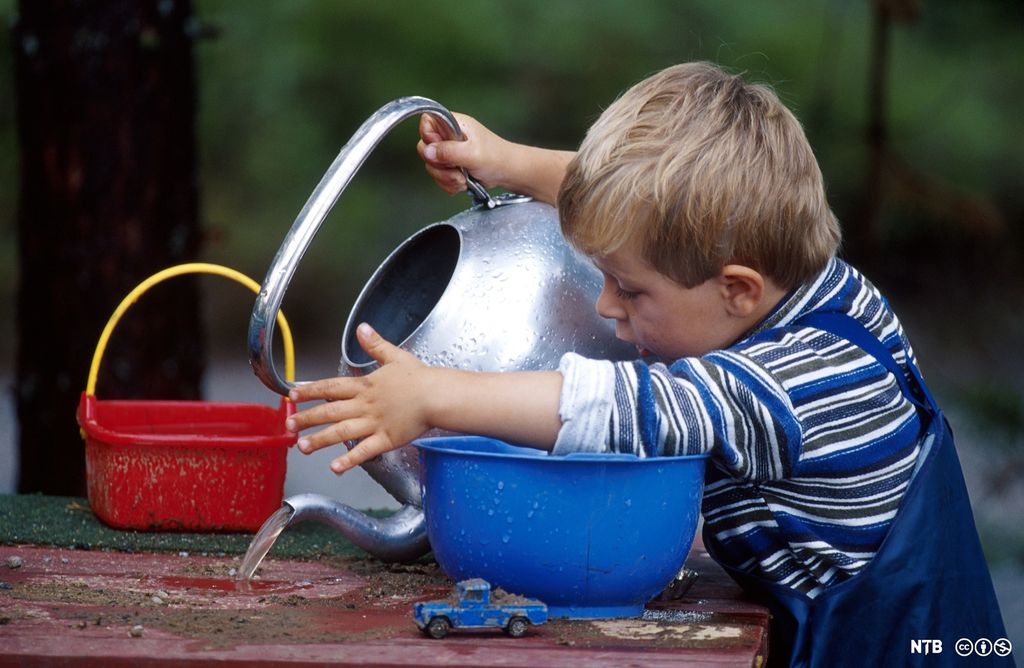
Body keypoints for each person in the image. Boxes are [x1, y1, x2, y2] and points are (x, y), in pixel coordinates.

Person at [285, 63, 1009, 666]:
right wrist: (504, 162)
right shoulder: (808, 276)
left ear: (737, 288)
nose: (605, 306)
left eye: (630, 288)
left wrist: (438, 396)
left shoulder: (794, 382)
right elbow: (648, 213)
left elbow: (626, 407)